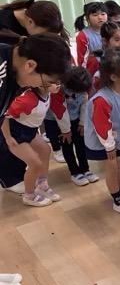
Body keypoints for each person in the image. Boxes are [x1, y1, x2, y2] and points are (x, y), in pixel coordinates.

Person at [0, 34, 72, 194]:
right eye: (47, 82)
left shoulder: (14, 70)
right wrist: (8, 137)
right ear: (30, 65)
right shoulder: (4, 71)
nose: (44, 86)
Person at [84, 47, 120, 215]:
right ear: (114, 76)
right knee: (112, 167)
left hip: (118, 138)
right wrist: (109, 146)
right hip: (103, 142)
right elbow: (101, 126)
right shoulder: (102, 99)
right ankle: (117, 199)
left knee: (118, 165)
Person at [2, 85, 59, 206]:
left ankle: (41, 184)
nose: (59, 84)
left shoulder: (47, 93)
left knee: (45, 150)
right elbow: (3, 115)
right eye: (54, 81)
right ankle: (29, 195)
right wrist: (8, 137)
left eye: (59, 81)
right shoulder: (27, 99)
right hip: (15, 134)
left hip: (29, 130)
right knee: (35, 163)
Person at [45, 66, 99, 186]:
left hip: (75, 118)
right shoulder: (58, 90)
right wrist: (66, 131)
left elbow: (85, 104)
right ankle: (74, 172)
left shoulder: (85, 86)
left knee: (81, 145)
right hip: (58, 121)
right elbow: (60, 111)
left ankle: (85, 169)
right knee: (67, 146)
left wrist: (82, 123)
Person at [0, 0, 66, 44]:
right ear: (30, 22)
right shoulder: (3, 27)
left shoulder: (37, 19)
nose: (45, 40)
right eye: (42, 36)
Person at [75, 2, 108, 67]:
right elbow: (82, 60)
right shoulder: (83, 35)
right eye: (95, 15)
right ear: (87, 18)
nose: (100, 17)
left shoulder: (112, 30)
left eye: (103, 14)